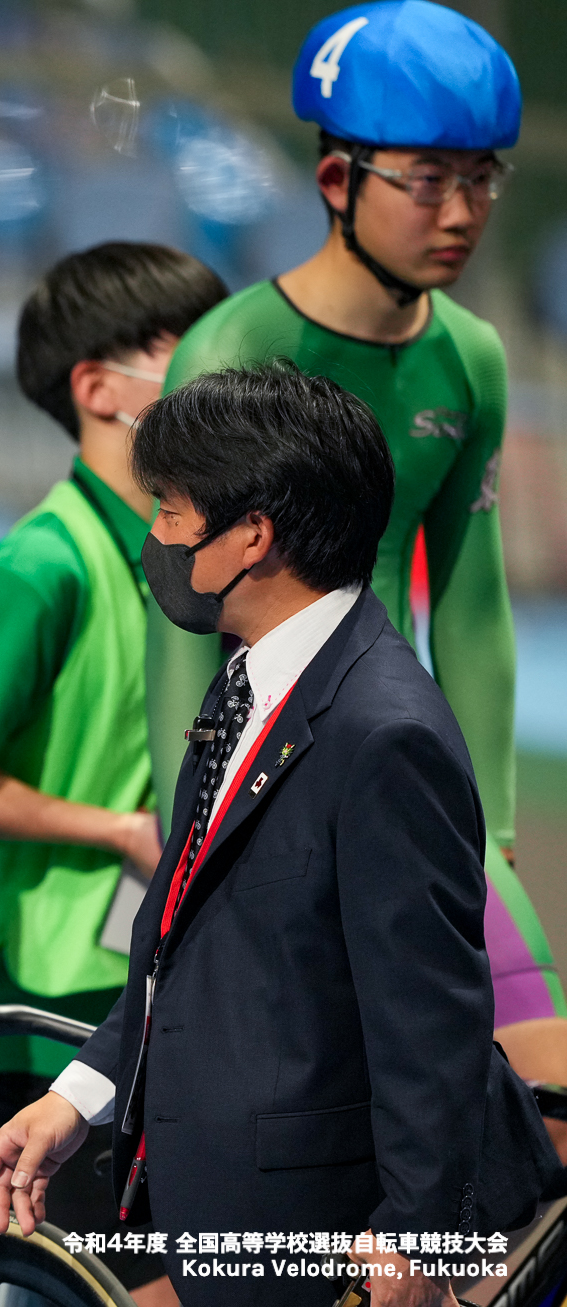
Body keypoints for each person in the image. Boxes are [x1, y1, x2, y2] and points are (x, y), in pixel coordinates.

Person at [0, 363, 559, 1307]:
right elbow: (186, 948)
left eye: (168, 509)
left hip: (312, 1249)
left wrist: (415, 1240)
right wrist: (73, 1099)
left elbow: (431, 1019)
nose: (152, 535)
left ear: (251, 535)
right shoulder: (252, 675)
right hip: (206, 1215)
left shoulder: (385, 733)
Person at [149, 0, 567, 1126]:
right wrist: (183, 828)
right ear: (336, 179)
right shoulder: (235, 350)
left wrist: (489, 827)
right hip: (262, 796)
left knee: (547, 1111)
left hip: (400, 776)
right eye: (427, 180)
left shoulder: (469, 359)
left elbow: (471, 610)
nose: (463, 212)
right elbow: (182, 611)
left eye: (483, 179)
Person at [0, 242, 225, 1297]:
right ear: (98, 388)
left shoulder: (185, 558)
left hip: (141, 981)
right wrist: (112, 829)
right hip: (38, 991)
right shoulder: (41, 564)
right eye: (186, 346)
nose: (217, 365)